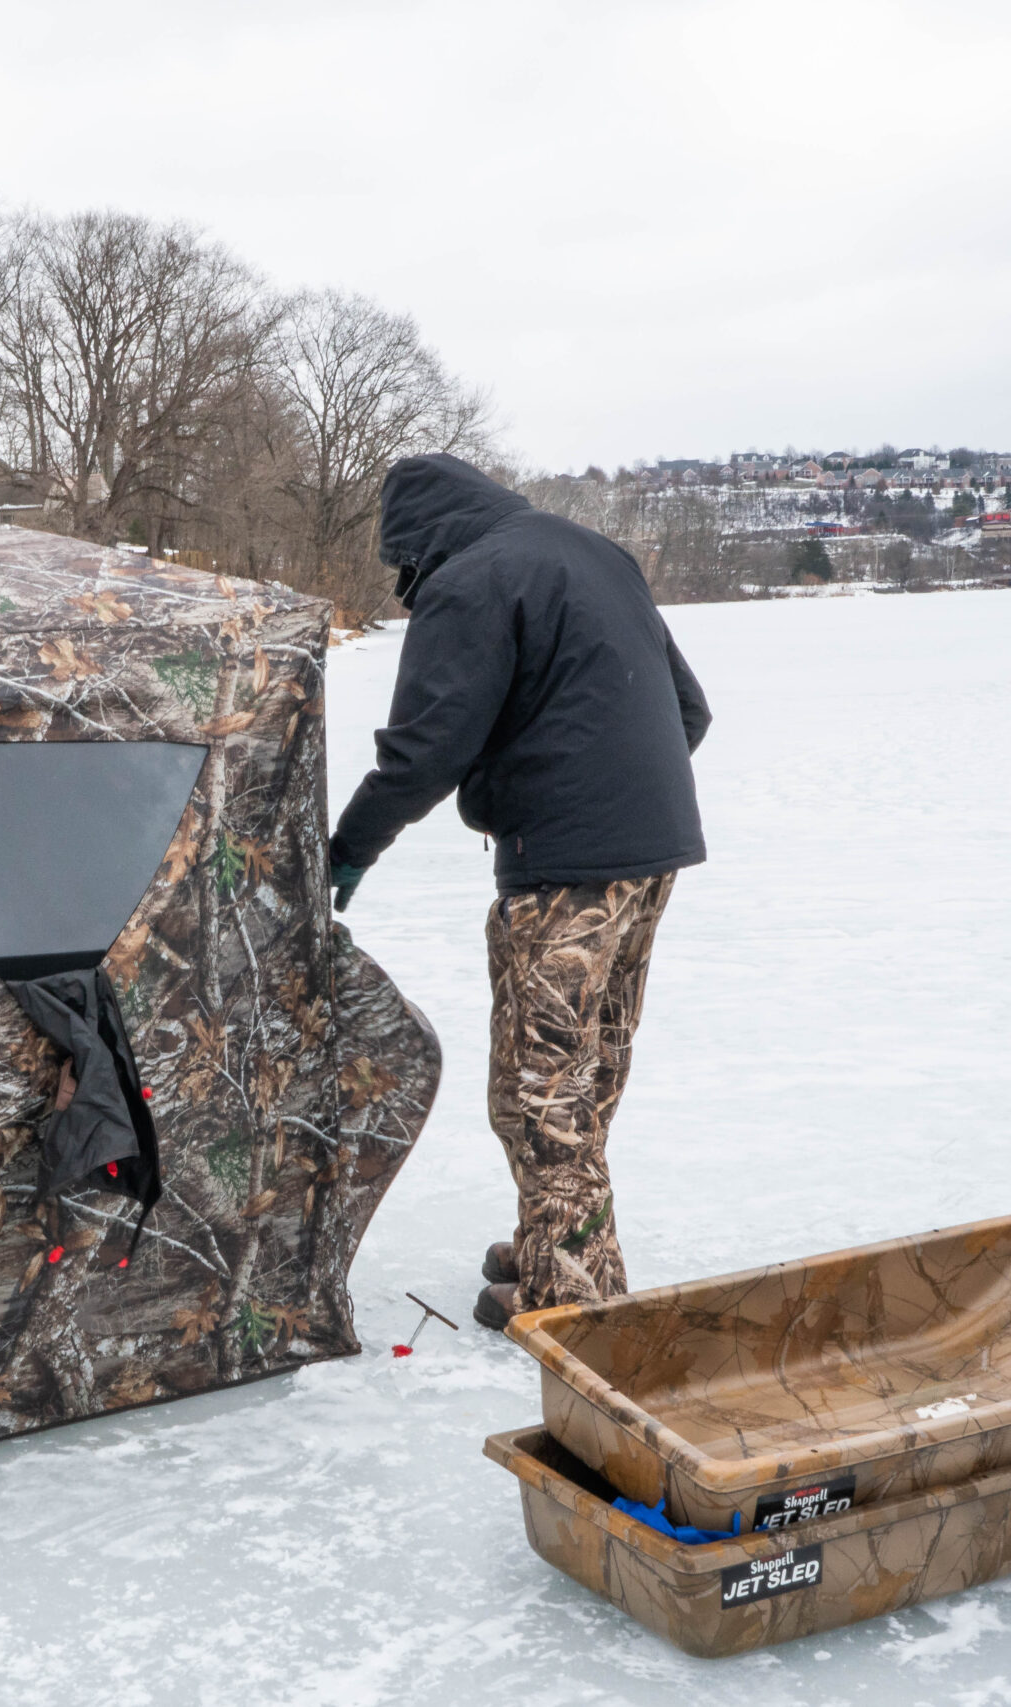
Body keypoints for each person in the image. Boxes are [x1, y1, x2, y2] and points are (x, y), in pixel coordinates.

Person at [328, 454, 710, 1330]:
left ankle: (570, 1293)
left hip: (563, 869)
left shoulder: (470, 579)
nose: (407, 586)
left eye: (404, 569)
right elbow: (689, 710)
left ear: (417, 541)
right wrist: (615, 798)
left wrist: (347, 852)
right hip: (653, 856)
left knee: (538, 1087)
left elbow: (423, 753)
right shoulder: (594, 552)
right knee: (589, 1068)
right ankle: (557, 1241)